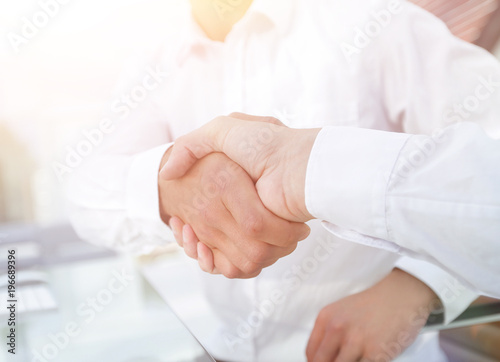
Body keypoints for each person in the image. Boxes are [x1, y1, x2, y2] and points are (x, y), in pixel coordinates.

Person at [67, 0, 491, 360]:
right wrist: (169, 187)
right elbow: (84, 192)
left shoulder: (372, 19)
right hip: (224, 347)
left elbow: (488, 156)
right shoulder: (156, 55)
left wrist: (418, 285)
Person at [162, 112, 500, 298]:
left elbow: (490, 127)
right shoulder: (152, 47)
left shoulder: (382, 19)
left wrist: (419, 282)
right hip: (213, 342)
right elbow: (111, 173)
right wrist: (168, 180)